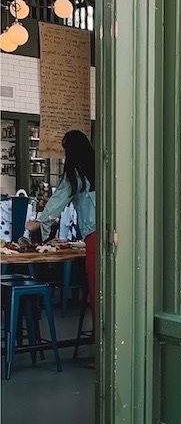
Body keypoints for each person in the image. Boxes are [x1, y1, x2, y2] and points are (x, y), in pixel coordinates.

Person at [26, 130, 96, 309]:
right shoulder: (100, 168)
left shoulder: (75, 173)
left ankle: (98, 335)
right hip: (114, 231)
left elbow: (60, 199)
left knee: (97, 290)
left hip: (94, 236)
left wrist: (40, 222)